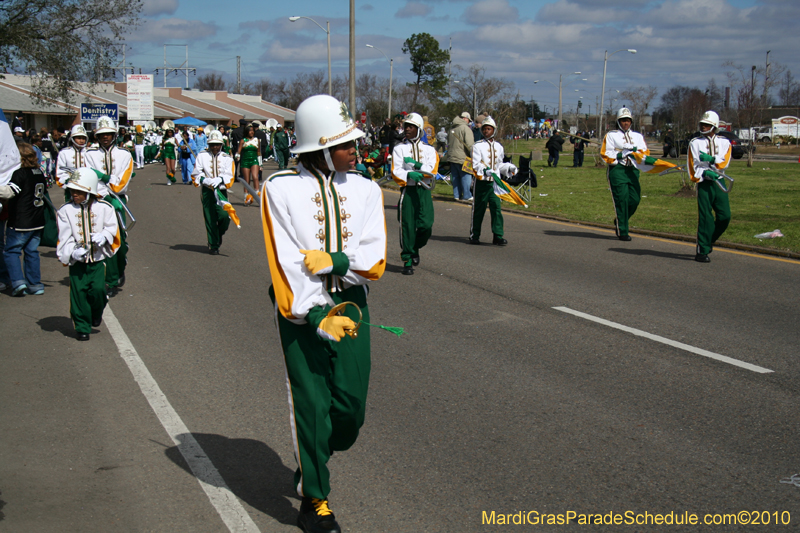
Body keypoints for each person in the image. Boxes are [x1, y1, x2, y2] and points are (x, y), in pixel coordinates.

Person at [260, 94, 386, 533]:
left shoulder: (367, 188)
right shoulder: (279, 189)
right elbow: (288, 259)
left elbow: (373, 257)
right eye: (347, 144)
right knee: (312, 403)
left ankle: (312, 455)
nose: (357, 150)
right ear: (320, 147)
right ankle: (315, 499)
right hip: (300, 310)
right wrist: (315, 315)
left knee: (350, 410)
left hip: (352, 304)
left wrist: (337, 260)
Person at [56, 168, 120, 341]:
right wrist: (72, 251)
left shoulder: (105, 208)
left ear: (89, 190)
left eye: (79, 191)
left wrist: (104, 236)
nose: (74, 194)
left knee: (98, 291)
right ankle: (82, 327)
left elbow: (112, 228)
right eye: (72, 190)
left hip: (97, 260)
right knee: (79, 294)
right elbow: (64, 236)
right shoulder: (65, 211)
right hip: (77, 263)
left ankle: (96, 312)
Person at [84, 115, 133, 293]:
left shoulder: (125, 154)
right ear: (96, 136)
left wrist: (103, 178)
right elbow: (88, 180)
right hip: (96, 202)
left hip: (117, 202)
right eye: (102, 134)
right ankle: (110, 281)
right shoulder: (89, 155)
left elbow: (121, 183)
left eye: (108, 133)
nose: (105, 137)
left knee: (121, 244)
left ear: (114, 134)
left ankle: (120, 268)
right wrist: (102, 190)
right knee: (104, 241)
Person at [391, 113, 437, 275]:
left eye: (411, 127)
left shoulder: (430, 150)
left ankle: (416, 246)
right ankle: (408, 258)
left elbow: (432, 170)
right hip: (408, 190)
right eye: (406, 126)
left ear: (419, 129)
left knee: (426, 225)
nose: (407, 129)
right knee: (407, 225)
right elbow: (396, 170)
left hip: (424, 190)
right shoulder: (399, 149)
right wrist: (408, 175)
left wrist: (419, 167)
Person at [1, 143, 47, 296]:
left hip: (21, 221)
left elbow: (9, 193)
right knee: (32, 252)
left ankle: (18, 282)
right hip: (37, 220)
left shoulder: (20, 174)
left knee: (11, 252)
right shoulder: (39, 172)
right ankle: (35, 284)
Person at [688, 110, 732, 263]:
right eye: (702, 124)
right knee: (706, 217)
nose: (703, 126)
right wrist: (706, 173)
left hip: (719, 181)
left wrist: (712, 160)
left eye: (707, 124)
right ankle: (702, 250)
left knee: (725, 216)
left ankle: (709, 240)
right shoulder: (695, 143)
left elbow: (724, 162)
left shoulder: (725, 142)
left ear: (714, 126)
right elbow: (693, 166)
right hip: (704, 183)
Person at [600, 107, 649, 241]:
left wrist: (635, 152)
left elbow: (645, 152)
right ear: (618, 121)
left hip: (632, 170)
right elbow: (605, 154)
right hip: (618, 170)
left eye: (628, 120)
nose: (625, 123)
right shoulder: (611, 135)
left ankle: (620, 220)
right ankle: (623, 230)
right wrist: (620, 154)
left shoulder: (638, 136)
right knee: (622, 200)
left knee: (634, 199)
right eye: (623, 120)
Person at [191, 130, 235, 255]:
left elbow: (230, 176)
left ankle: (217, 234)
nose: (215, 147)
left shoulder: (227, 158)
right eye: (212, 144)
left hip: (221, 191)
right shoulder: (202, 155)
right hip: (207, 191)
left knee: (224, 216)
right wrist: (204, 179)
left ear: (221, 144)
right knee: (210, 217)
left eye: (217, 144)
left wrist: (220, 179)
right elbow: (196, 173)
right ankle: (213, 244)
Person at [469, 116, 507, 246]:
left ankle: (498, 235)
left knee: (496, 208)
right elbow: (475, 164)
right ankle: (475, 235)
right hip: (481, 182)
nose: (486, 131)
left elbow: (499, 164)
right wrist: (484, 170)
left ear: (494, 130)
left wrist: (507, 168)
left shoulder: (499, 146)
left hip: (495, 183)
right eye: (484, 129)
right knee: (479, 209)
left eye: (489, 129)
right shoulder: (477, 146)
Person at [446, 112, 475, 202]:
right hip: (463, 157)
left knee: (455, 177)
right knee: (466, 176)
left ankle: (457, 195)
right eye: (468, 120)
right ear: (465, 119)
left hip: (452, 156)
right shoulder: (465, 128)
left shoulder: (451, 128)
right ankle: (467, 195)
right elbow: (470, 144)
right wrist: (473, 155)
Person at [56, 125, 91, 194]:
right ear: (73, 139)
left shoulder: (89, 152)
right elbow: (60, 172)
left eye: (83, 138)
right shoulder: (64, 153)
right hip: (70, 186)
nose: (81, 140)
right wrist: (68, 181)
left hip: (87, 186)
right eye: (78, 138)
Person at [235, 125, 260, 205]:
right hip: (245, 161)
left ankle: (257, 195)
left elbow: (259, 152)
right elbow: (238, 151)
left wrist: (261, 164)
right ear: (247, 132)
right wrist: (237, 156)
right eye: (250, 130)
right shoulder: (243, 140)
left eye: (252, 130)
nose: (251, 132)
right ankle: (246, 197)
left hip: (254, 160)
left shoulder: (257, 140)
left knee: (255, 177)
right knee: (247, 180)